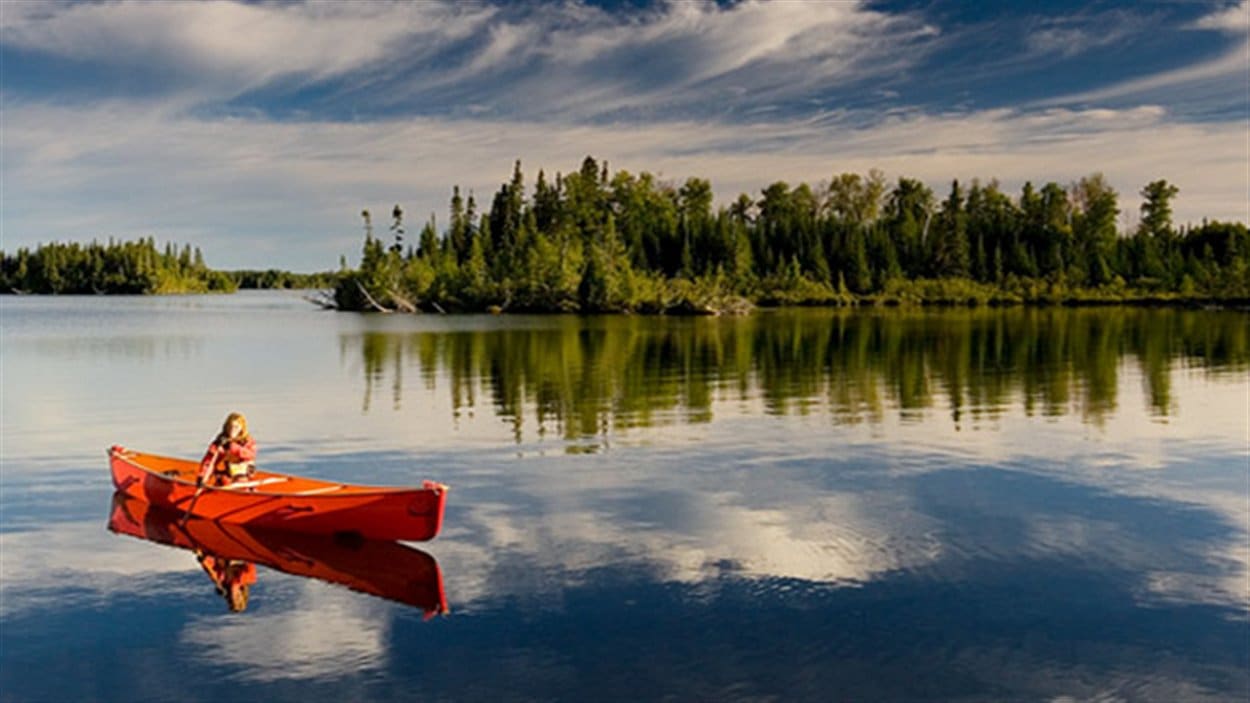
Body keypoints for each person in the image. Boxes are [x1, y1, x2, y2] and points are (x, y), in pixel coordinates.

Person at [198, 412, 256, 487]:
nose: (232, 430)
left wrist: (232, 446)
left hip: (244, 476)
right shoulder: (219, 443)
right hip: (226, 476)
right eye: (230, 426)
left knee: (241, 481)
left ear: (241, 428)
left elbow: (250, 455)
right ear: (226, 427)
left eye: (236, 427)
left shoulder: (247, 441)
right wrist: (203, 477)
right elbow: (209, 462)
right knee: (224, 481)